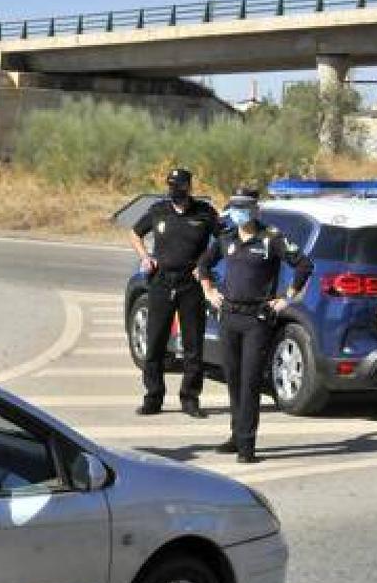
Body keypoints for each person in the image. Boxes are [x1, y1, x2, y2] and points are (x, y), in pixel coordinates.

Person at [199, 189, 314, 464]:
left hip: (256, 319)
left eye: (245, 207)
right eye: (236, 207)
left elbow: (304, 265)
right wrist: (209, 291)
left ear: (256, 210)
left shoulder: (271, 238)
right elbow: (203, 264)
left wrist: (287, 298)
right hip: (229, 316)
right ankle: (236, 434)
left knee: (250, 381)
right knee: (234, 379)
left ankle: (247, 445)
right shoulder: (226, 237)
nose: (240, 213)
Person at [129, 168, 220, 418]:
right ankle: (153, 397)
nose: (175, 192)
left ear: (189, 187)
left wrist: (204, 266)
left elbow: (223, 240)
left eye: (180, 187)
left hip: (190, 285)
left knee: (193, 344)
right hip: (161, 282)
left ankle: (190, 399)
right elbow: (134, 233)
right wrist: (145, 257)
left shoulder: (204, 213)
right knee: (156, 341)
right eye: (171, 187)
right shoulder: (160, 210)